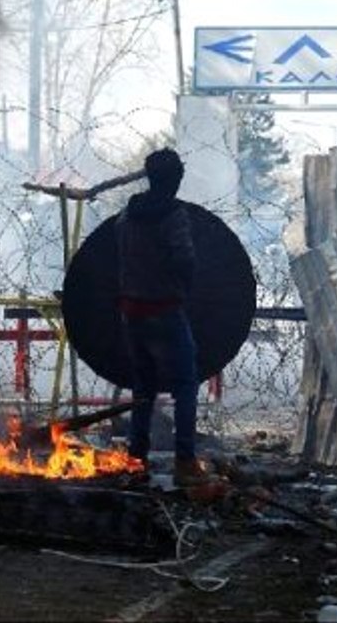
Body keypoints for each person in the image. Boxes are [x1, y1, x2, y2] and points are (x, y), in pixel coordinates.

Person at [115, 148, 212, 487]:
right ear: (176, 180)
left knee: (145, 386)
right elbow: (184, 258)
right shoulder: (173, 214)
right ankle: (184, 460)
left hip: (131, 312)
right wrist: (183, 287)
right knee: (185, 384)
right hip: (164, 310)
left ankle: (136, 457)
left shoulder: (129, 213)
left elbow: (119, 252)